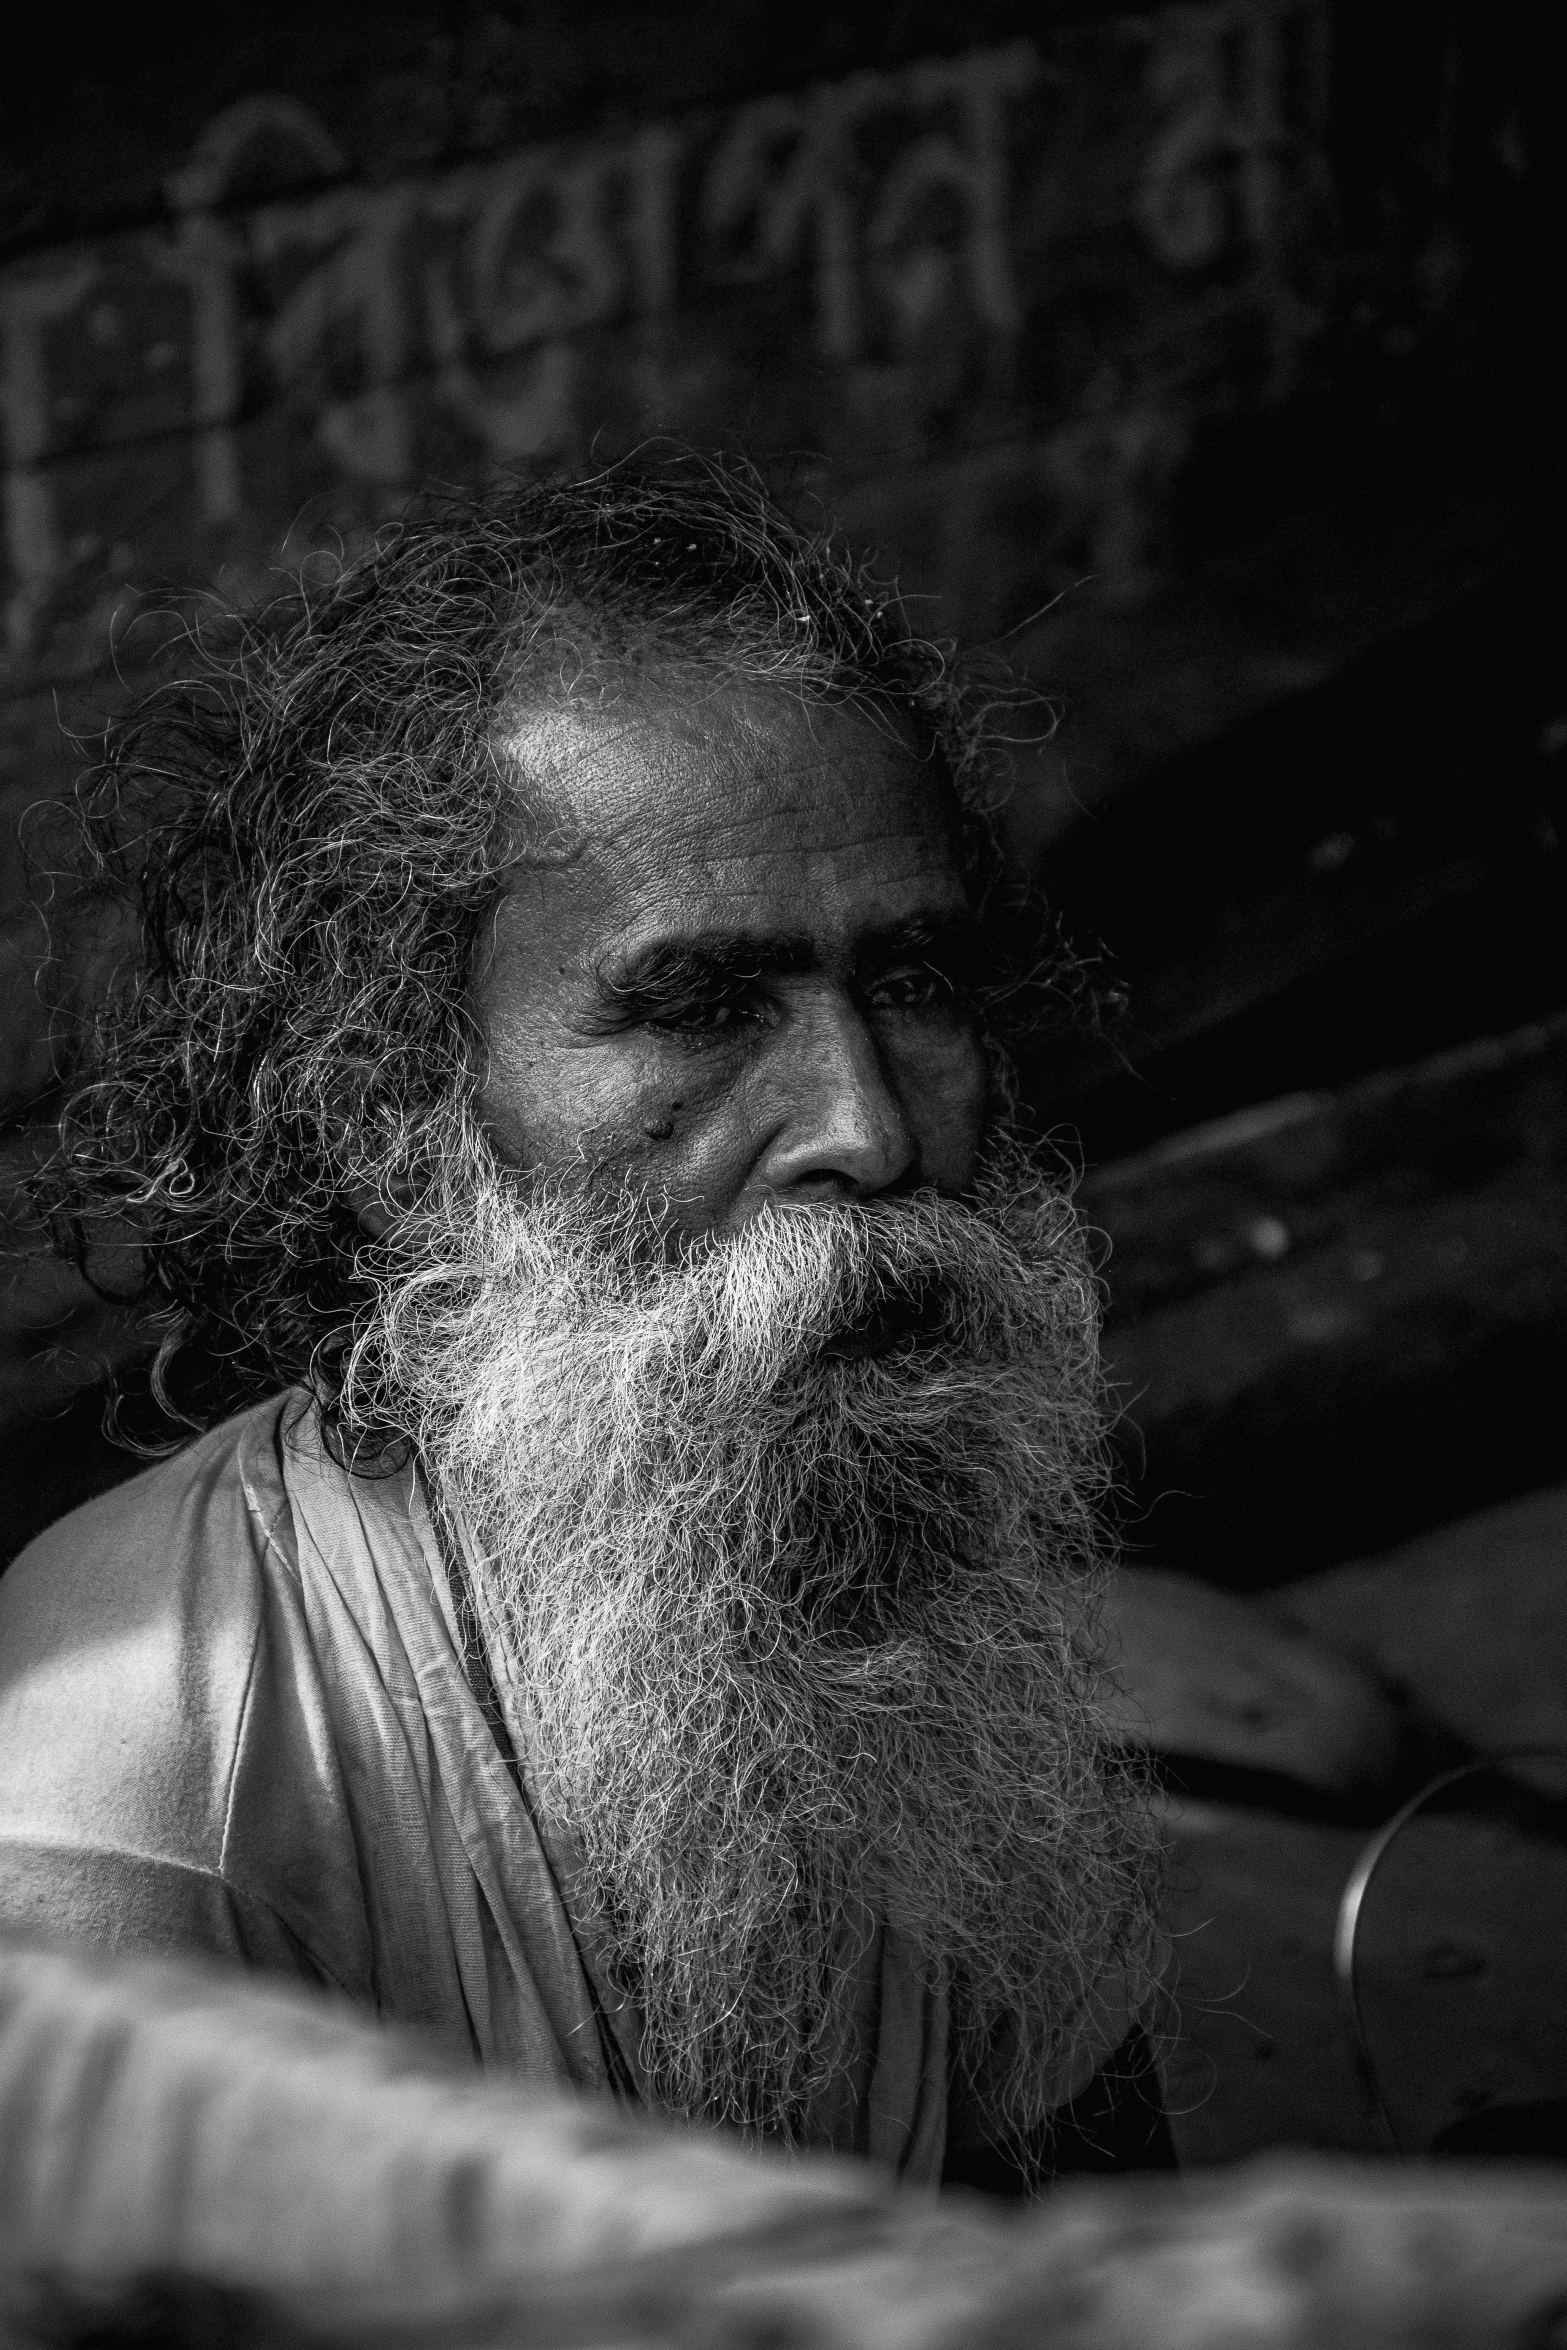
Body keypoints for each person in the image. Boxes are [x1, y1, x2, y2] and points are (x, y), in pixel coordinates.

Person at [0, 457, 1168, 2194]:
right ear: (395, 1089)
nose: (865, 1126)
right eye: (697, 1004)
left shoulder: (911, 1608)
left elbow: (1090, 2248)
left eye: (910, 982)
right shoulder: (136, 1781)